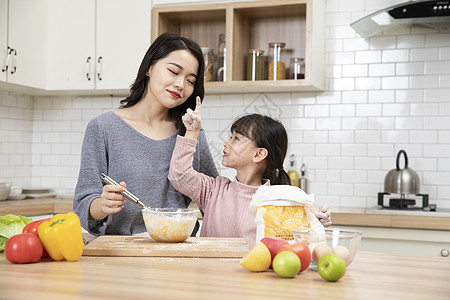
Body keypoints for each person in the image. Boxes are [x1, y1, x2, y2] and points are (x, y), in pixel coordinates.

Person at [73, 32, 218, 236]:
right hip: (119, 253)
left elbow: (214, 199)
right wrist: (102, 205)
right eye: (174, 72)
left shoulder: (190, 134)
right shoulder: (103, 128)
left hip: (177, 250)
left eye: (190, 81)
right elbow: (82, 205)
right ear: (149, 67)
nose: (181, 85)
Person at [168, 98, 331, 244]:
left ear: (259, 154)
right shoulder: (213, 190)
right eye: (231, 137)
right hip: (209, 276)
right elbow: (179, 174)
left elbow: (294, 243)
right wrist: (191, 132)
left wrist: (314, 222)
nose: (226, 143)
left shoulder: (277, 202)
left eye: (236, 138)